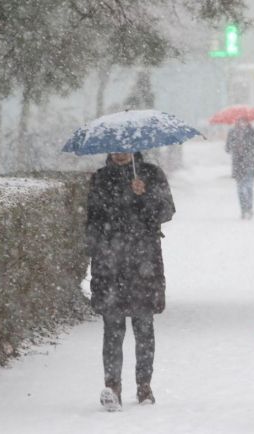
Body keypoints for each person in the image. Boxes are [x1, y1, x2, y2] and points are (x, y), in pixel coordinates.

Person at [86, 151, 175, 412]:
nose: (120, 151)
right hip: (109, 263)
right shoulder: (100, 178)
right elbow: (92, 219)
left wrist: (144, 195)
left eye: (125, 146)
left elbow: (167, 211)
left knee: (144, 326)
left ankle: (144, 385)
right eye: (115, 146)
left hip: (143, 262)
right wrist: (95, 251)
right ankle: (112, 387)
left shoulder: (151, 174)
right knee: (112, 328)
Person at [225, 117, 254, 219]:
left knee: (248, 188)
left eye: (244, 121)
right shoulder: (232, 132)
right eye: (240, 121)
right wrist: (234, 145)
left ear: (248, 122)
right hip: (238, 165)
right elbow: (227, 149)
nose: (242, 123)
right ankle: (243, 210)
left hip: (250, 164)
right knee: (240, 189)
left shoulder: (253, 132)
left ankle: (249, 208)